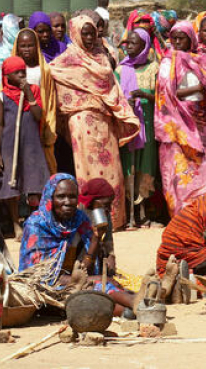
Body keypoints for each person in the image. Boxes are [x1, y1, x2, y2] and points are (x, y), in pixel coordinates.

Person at [50, 15, 140, 229]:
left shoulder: (101, 56)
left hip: (104, 119)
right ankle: (90, 220)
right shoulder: (65, 60)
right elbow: (53, 76)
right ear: (75, 34)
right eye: (85, 33)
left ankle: (114, 219)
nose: (90, 38)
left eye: (92, 33)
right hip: (81, 121)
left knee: (112, 170)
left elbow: (111, 87)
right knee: (87, 172)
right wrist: (88, 100)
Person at [20, 174, 135, 314]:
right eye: (61, 196)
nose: (68, 202)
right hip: (47, 291)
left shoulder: (80, 220)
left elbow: (84, 268)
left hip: (77, 283)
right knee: (98, 287)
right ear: (50, 198)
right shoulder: (37, 226)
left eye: (72, 196)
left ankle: (135, 306)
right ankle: (133, 306)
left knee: (105, 287)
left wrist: (95, 240)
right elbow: (41, 278)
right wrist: (92, 279)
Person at [155, 22, 206, 216]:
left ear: (191, 39)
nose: (177, 42)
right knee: (177, 174)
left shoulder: (201, 60)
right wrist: (196, 89)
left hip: (199, 126)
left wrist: (196, 92)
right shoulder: (166, 62)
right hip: (174, 130)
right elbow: (165, 94)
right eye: (174, 38)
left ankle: (204, 215)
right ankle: (181, 218)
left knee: (204, 170)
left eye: (181, 38)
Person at [0, 56, 49, 237]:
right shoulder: (2, 95)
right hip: (9, 144)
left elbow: (37, 115)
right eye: (16, 72)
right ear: (7, 75)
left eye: (23, 71)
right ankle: (15, 224)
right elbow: (1, 124)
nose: (21, 75)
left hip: (30, 143)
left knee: (34, 181)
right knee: (12, 184)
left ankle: (35, 221)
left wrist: (28, 93)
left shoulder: (33, 90)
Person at [117, 28, 159, 228]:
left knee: (146, 165)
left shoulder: (154, 69)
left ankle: (144, 211)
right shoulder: (120, 70)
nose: (129, 47)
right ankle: (129, 212)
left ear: (145, 46)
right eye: (127, 44)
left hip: (148, 126)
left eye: (134, 43)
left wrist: (146, 96)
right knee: (128, 165)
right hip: (128, 127)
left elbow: (162, 98)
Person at [12, 28, 57, 173]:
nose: (26, 49)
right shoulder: (10, 70)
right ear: (17, 47)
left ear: (36, 46)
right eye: (22, 46)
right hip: (17, 121)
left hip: (39, 120)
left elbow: (50, 100)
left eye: (30, 45)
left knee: (41, 166)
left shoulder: (44, 70)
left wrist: (49, 127)